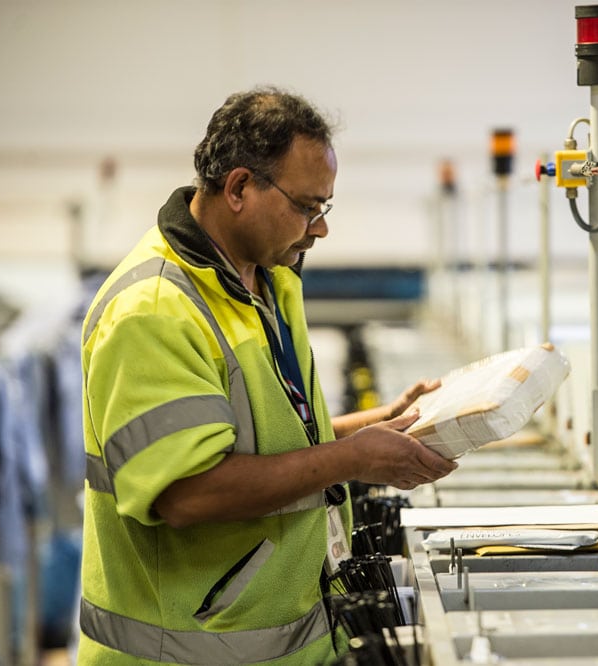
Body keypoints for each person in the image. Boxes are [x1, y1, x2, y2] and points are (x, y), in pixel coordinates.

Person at [77, 86, 458, 665]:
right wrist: (354, 458)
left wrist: (379, 425)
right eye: (307, 207)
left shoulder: (266, 281)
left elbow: (270, 441)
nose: (319, 229)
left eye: (324, 209)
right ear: (238, 188)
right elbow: (189, 492)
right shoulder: (153, 311)